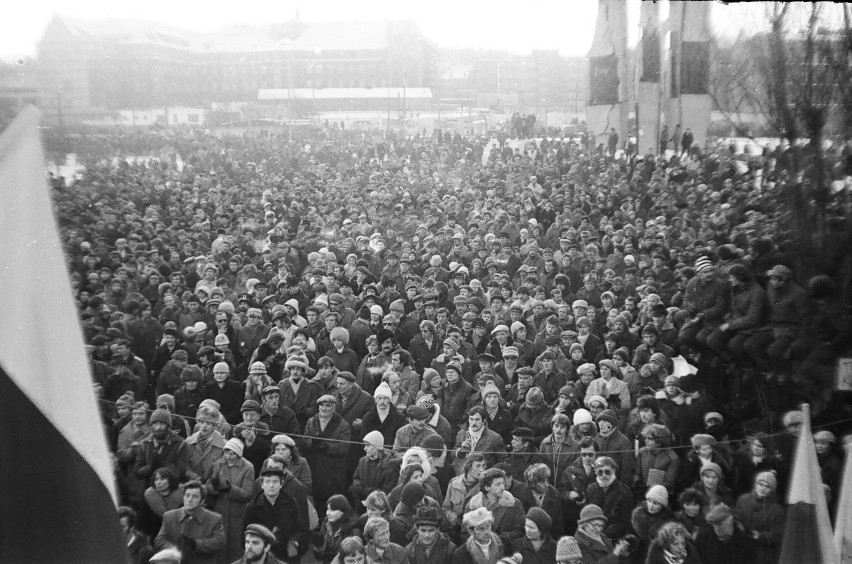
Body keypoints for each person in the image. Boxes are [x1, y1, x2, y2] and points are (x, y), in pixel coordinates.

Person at [302, 394, 352, 521]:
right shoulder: (311, 421)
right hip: (314, 468)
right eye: (321, 405)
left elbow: (345, 447)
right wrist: (312, 443)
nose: (324, 409)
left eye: (328, 406)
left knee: (332, 501)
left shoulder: (342, 424)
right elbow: (304, 441)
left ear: (334, 408)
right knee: (316, 499)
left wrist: (327, 447)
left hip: (333, 472)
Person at [242, 466, 305, 563]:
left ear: (281, 484)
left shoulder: (291, 503)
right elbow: (244, 535)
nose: (271, 485)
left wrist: (294, 542)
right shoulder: (251, 508)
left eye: (275, 482)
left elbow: (300, 529)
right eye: (267, 482)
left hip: (287, 555)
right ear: (262, 485)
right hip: (263, 556)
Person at [155, 480, 226, 564]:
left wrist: (196, 544)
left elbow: (219, 543)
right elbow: (159, 539)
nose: (189, 499)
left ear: (202, 501)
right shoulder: (169, 516)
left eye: (195, 496)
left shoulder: (215, 519)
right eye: (187, 495)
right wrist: (174, 550)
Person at [209, 437, 256, 561]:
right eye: (226, 452)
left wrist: (230, 489)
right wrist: (212, 486)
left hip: (237, 514)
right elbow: (210, 486)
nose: (228, 456)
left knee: (235, 548)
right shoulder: (219, 463)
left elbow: (247, 494)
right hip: (220, 511)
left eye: (232, 454)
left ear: (238, 454)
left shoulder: (248, 467)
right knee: (219, 546)